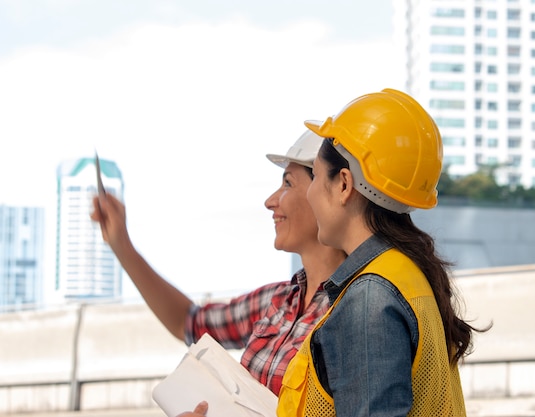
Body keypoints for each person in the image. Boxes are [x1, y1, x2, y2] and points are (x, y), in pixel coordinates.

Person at [276, 88, 487, 417]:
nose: (312, 192)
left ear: (344, 184)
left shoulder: (369, 298)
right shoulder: (405, 273)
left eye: (315, 175)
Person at [90, 130, 346, 396]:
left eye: (288, 183)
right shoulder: (275, 302)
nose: (270, 201)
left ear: (333, 190)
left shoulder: (356, 311)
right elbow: (188, 323)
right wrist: (122, 246)